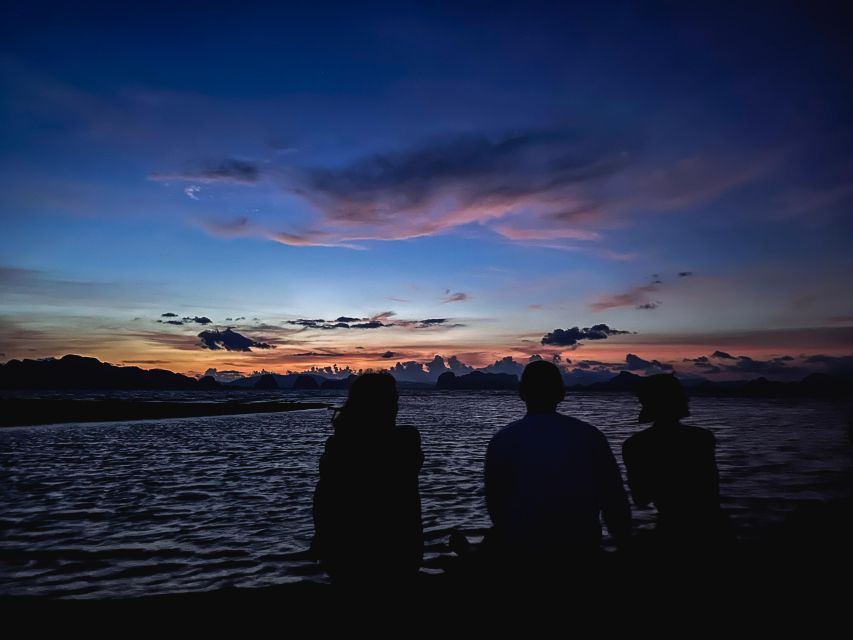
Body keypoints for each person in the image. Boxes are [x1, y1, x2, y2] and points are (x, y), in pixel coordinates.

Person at [484, 361, 632, 573]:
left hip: (525, 554)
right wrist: (625, 545)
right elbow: (614, 498)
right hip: (581, 551)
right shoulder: (590, 435)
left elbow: (496, 506)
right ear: (561, 394)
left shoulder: (502, 440)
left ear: (522, 394)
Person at [311, 373, 424, 585]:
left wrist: (322, 538)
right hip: (397, 551)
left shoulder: (339, 445)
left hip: (344, 552)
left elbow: (323, 498)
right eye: (392, 400)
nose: (396, 407)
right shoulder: (406, 440)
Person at [622, 373, 726, 547]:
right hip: (714, 527)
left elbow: (641, 498)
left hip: (671, 527)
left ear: (645, 403)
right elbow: (711, 487)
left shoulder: (636, 445)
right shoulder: (703, 438)